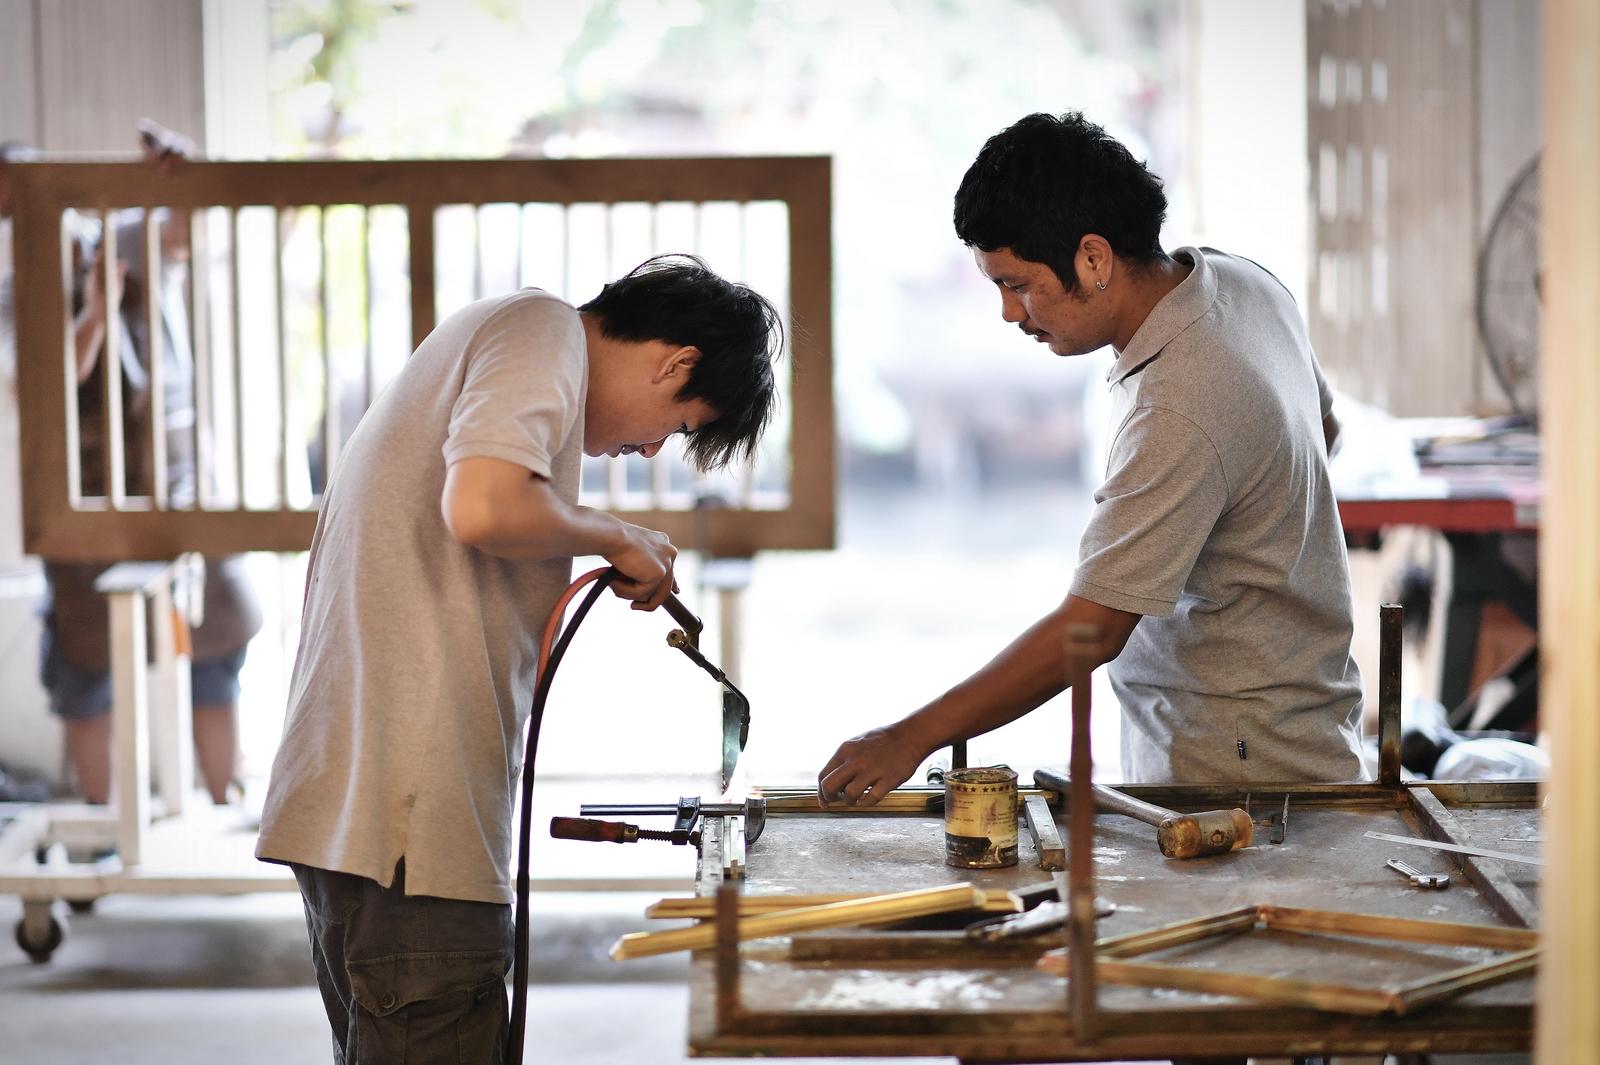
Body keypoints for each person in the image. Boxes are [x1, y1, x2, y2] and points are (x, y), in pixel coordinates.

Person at [255, 254, 781, 1063]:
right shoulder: (541, 330)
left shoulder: (488, 335)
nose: (647, 450)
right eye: (675, 426)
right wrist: (615, 533)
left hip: (354, 812)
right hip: (410, 835)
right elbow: (484, 505)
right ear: (675, 362)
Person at [819, 111, 1364, 804]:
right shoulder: (1238, 282)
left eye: (1018, 285)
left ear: (1094, 259)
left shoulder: (1180, 399)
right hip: (1299, 725)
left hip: (1243, 770)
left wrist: (909, 736)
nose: (1012, 315)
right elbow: (1326, 426)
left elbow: (1093, 628)